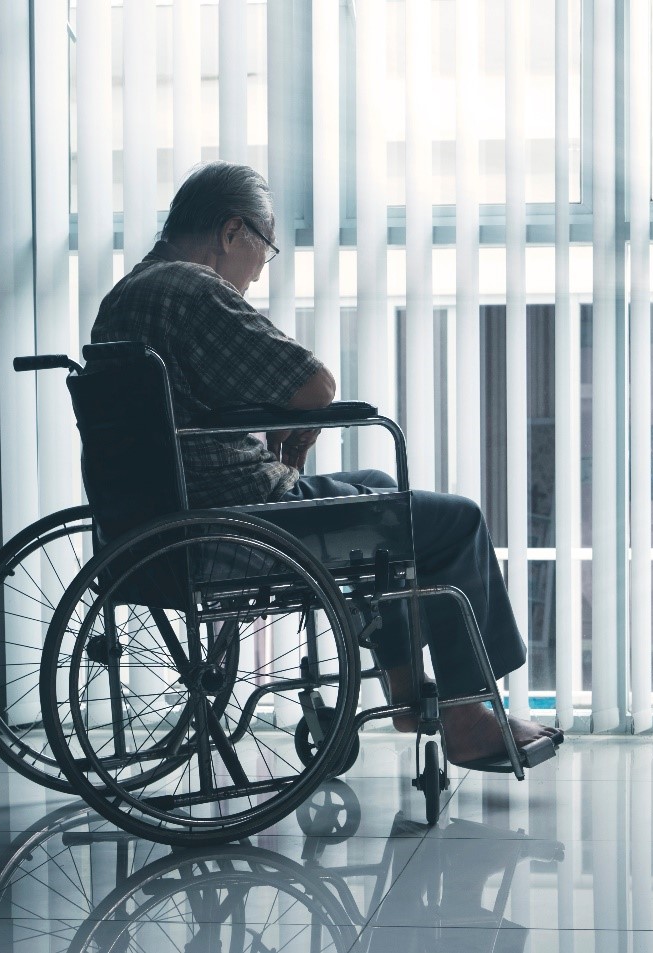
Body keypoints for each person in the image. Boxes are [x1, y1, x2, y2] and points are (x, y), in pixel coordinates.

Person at [91, 161, 561, 767]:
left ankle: (403, 692)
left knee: (380, 492)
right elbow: (313, 382)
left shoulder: (126, 296)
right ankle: (468, 717)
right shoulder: (190, 288)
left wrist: (283, 416)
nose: (258, 275)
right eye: (265, 252)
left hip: (165, 518)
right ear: (235, 232)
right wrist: (302, 415)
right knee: (457, 521)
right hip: (236, 520)